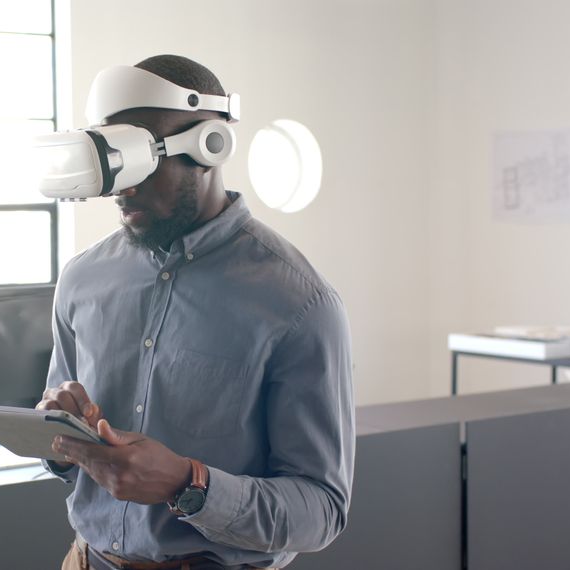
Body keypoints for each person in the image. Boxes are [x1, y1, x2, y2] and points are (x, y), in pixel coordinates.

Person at [36, 54, 354, 570]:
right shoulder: (81, 279)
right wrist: (62, 436)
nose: (124, 187)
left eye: (139, 161)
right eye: (112, 163)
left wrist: (190, 484)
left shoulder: (299, 303)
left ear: (210, 144)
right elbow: (65, 448)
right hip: (84, 560)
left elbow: (321, 509)